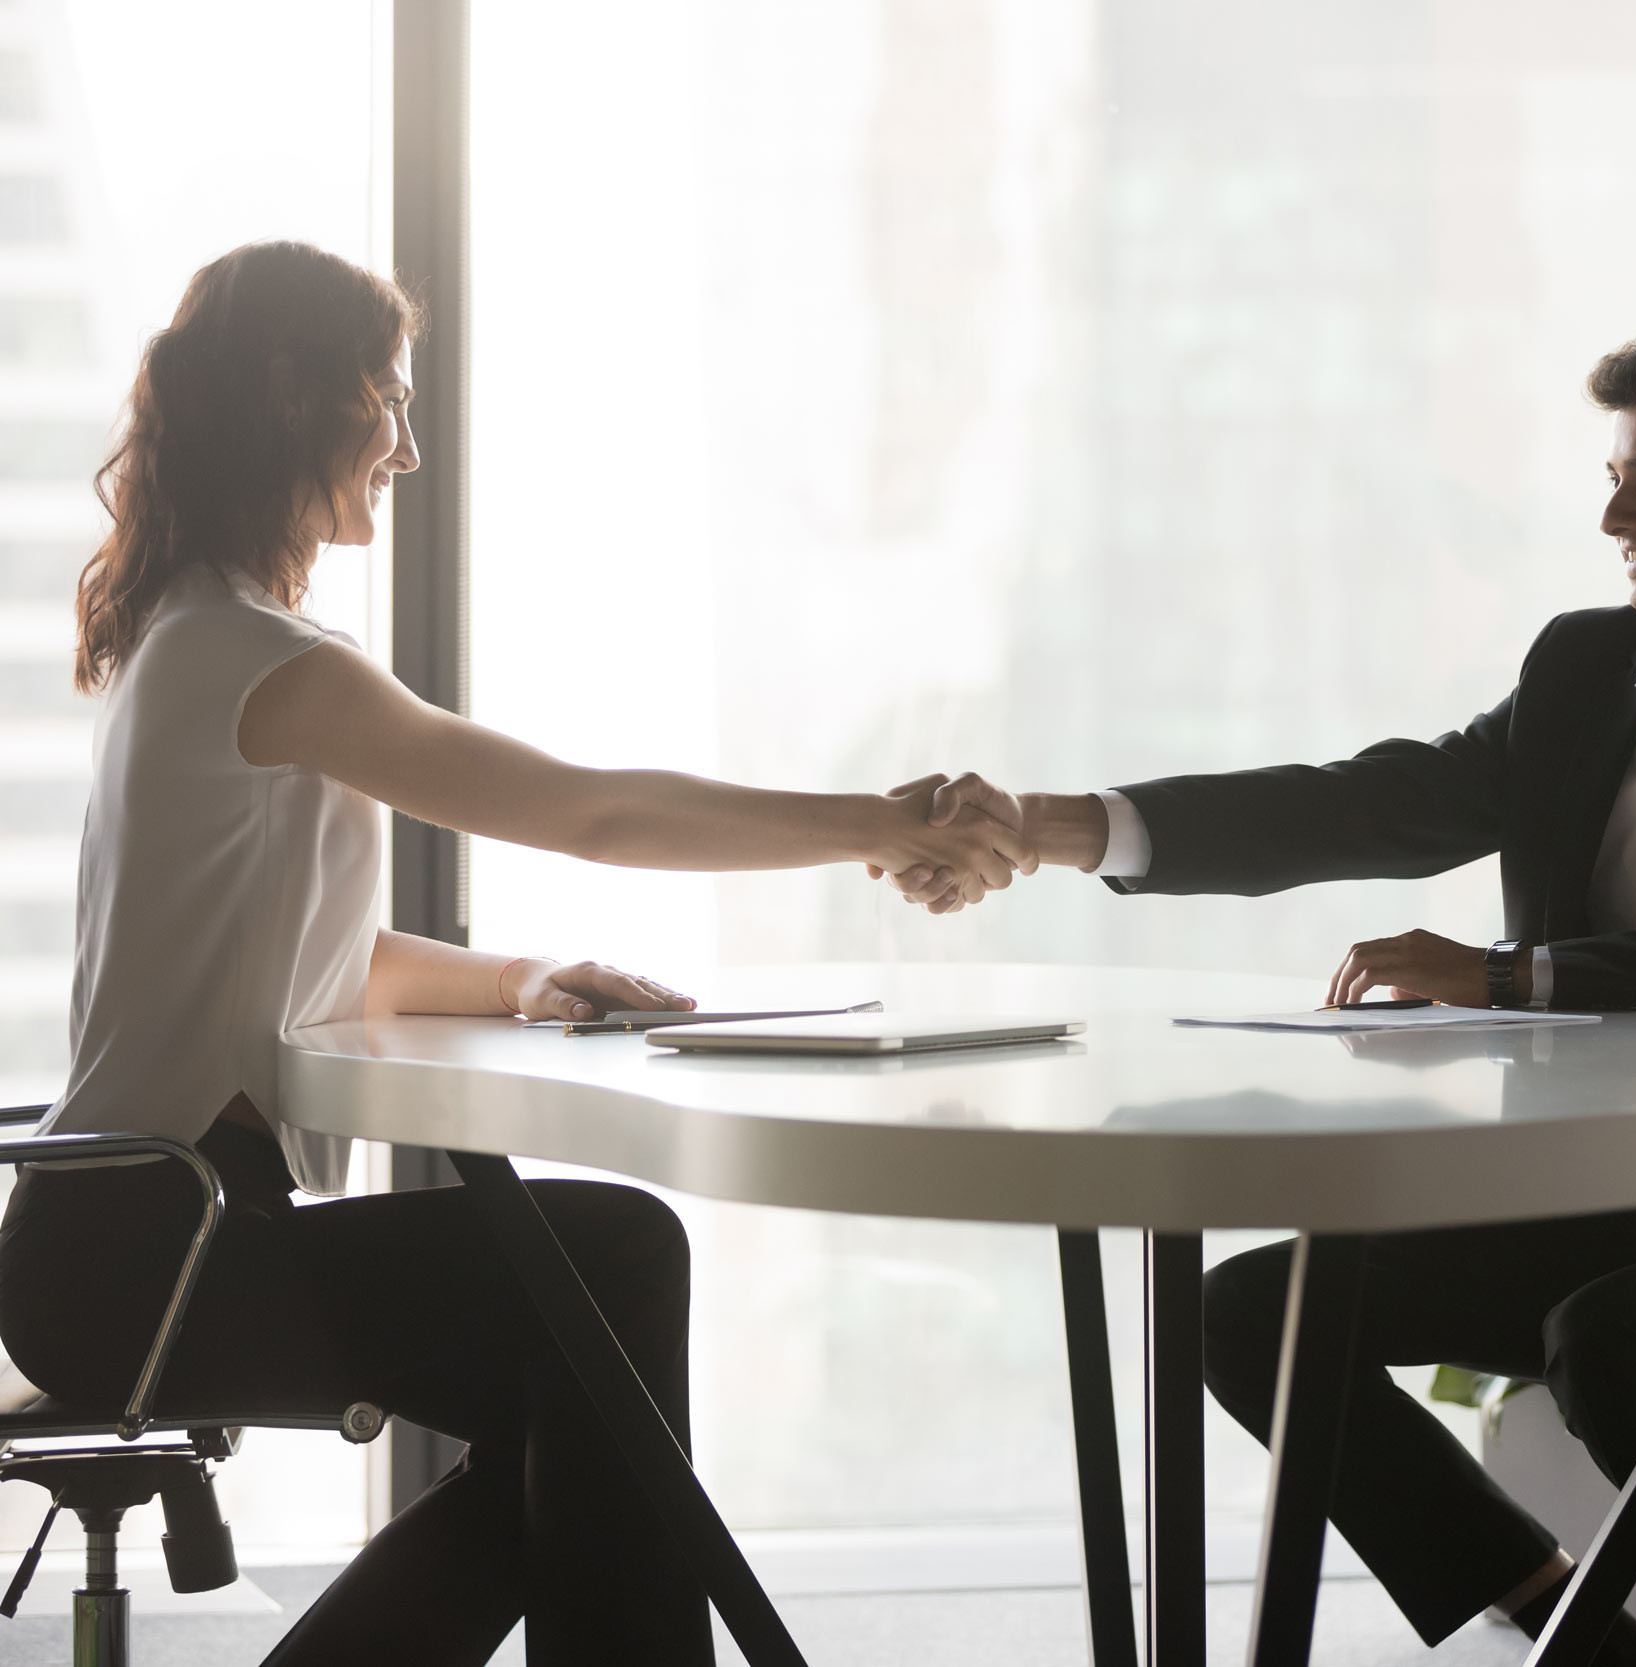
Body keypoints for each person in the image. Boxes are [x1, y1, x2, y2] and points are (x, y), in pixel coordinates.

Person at [891, 320, 1636, 1659]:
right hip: (1586, 1187)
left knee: (1610, 1341)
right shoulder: (1584, 671)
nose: (1611, 515)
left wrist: (1505, 976)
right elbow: (1370, 804)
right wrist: (1058, 825)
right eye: (1613, 476)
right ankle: (1568, 1627)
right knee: (1248, 1313)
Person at [0, 241, 1033, 1666]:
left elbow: (298, 959)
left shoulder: (201, 643)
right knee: (611, 1273)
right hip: (154, 1254)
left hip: (131, 1240)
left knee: (591, 1427)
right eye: (390, 402)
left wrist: (519, 982)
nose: (409, 450)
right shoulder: (255, 661)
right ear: (299, 397)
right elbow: (594, 810)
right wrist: (882, 821)